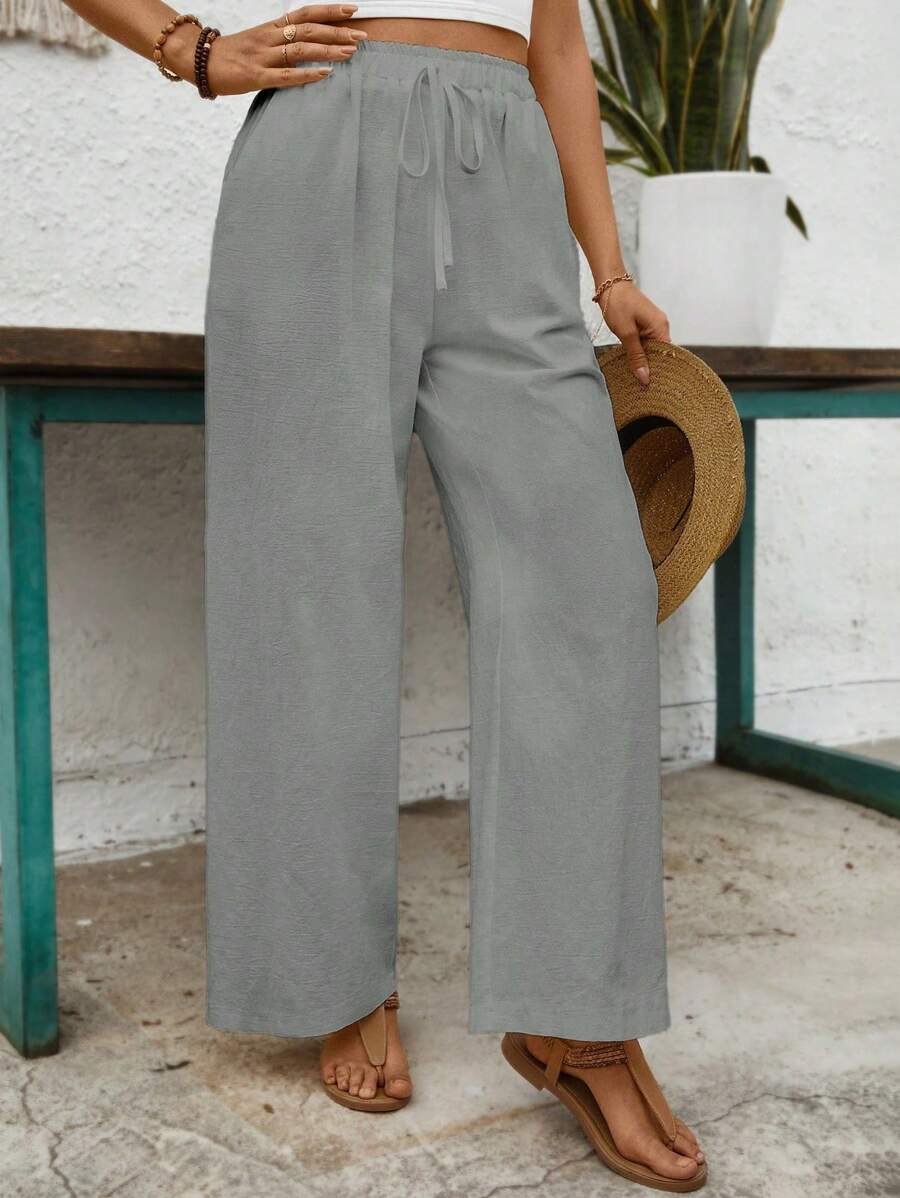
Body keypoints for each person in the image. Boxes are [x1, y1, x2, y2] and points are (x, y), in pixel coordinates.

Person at [64, 0, 705, 1187]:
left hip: (510, 163)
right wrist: (188, 51)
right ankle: (338, 978)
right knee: (308, 586)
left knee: (588, 587)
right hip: (322, 143)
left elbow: (561, 45)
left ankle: (578, 1014)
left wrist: (609, 269)